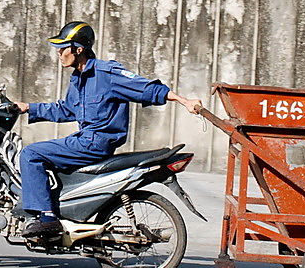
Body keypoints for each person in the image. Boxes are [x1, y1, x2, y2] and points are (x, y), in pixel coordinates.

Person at [14, 21, 202, 239]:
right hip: (84, 140)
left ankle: (47, 218)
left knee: (30, 154)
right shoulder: (78, 78)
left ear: (79, 49)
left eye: (63, 48)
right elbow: (66, 109)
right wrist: (28, 108)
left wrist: (185, 101)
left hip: (94, 143)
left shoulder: (107, 74)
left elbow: (146, 88)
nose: (59, 53)